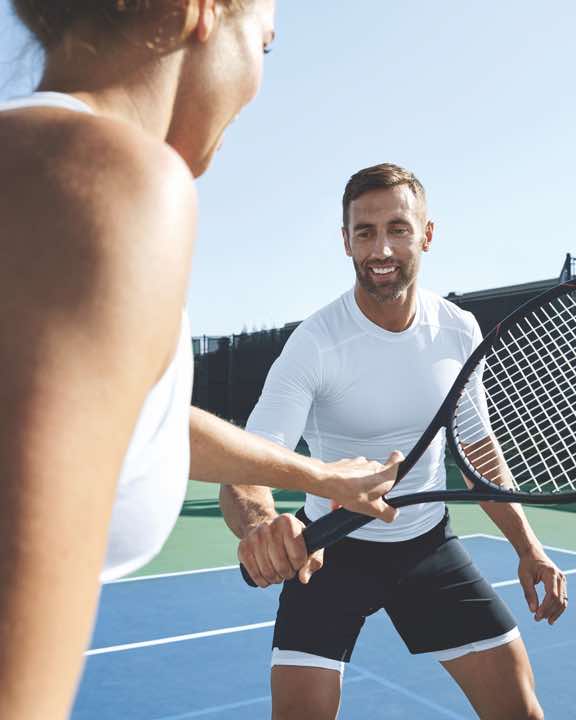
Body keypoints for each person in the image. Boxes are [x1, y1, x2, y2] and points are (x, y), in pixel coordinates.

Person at [0, 5, 404, 718]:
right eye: (266, 47)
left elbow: (126, 411)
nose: (257, 80)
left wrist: (312, 475)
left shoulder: (36, 155)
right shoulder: (113, 178)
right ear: (203, 12)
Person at [221, 163, 568, 719]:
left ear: (426, 234)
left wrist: (529, 549)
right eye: (365, 232)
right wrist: (263, 526)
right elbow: (247, 465)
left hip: (428, 547)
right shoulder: (315, 344)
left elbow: (477, 447)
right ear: (346, 241)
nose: (381, 248)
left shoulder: (458, 329)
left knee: (521, 713)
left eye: (398, 229)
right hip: (328, 555)